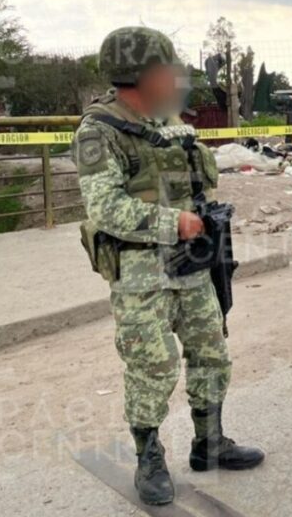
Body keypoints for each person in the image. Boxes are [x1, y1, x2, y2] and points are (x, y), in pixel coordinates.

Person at [71, 27, 264, 506]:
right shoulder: (98, 131)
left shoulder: (169, 121)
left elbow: (192, 184)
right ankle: (149, 458)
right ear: (138, 75)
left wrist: (204, 215)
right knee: (151, 365)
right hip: (140, 271)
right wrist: (173, 221)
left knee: (211, 351)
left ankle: (210, 443)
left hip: (193, 262)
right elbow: (105, 208)